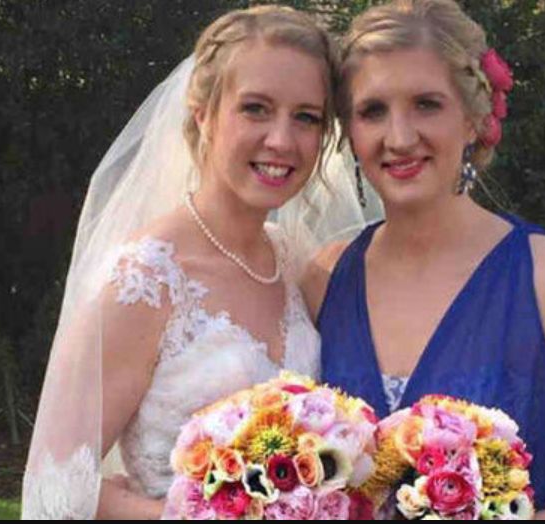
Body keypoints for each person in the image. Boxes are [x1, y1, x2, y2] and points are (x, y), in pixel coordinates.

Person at [303, 0, 545, 518]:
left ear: (474, 119)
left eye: (427, 104)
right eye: (373, 111)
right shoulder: (324, 277)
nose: (400, 136)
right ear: (350, 132)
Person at [21, 6, 343, 518]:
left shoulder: (290, 260)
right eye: (256, 108)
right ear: (203, 113)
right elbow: (52, 491)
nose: (282, 140)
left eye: (306, 117)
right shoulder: (147, 276)